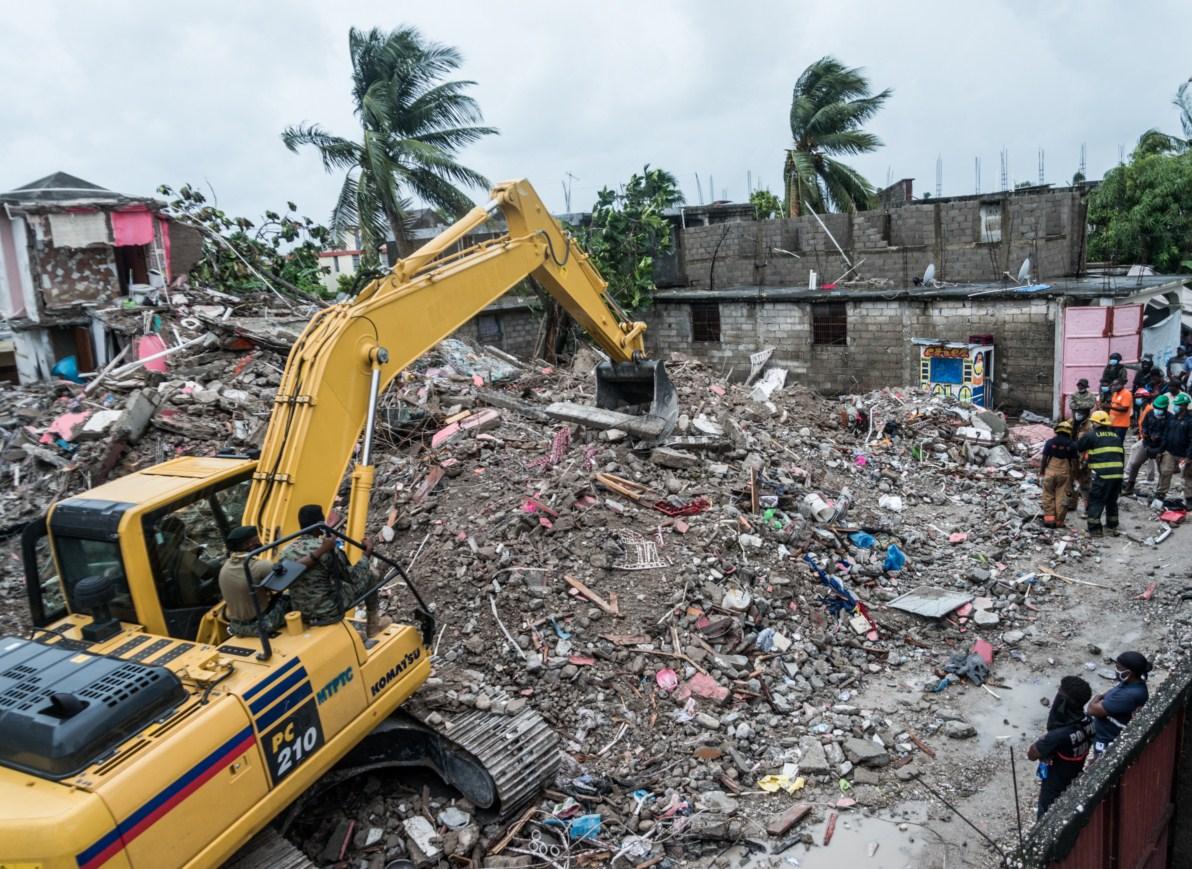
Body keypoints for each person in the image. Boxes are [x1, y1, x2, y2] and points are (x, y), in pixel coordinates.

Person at [282, 504, 385, 630]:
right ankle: (374, 625)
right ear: (320, 524)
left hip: (300, 612)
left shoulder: (286, 551)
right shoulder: (327, 548)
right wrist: (366, 555)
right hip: (328, 611)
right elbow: (353, 577)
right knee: (370, 574)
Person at [1027, 676, 1094, 818]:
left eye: (1059, 692)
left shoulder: (1057, 736)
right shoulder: (1089, 721)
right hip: (1074, 776)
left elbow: (1032, 754)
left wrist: (1046, 741)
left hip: (1054, 786)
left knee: (1046, 815)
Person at [217, 525, 289, 637]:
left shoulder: (224, 569)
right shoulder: (260, 566)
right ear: (249, 544)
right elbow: (285, 582)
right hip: (261, 625)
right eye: (257, 539)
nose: (260, 542)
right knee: (290, 593)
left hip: (237, 626)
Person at [1088, 651, 1151, 759]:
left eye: (1118, 667)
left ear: (1129, 672)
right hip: (1104, 733)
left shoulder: (1128, 696)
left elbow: (1092, 710)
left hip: (1108, 739)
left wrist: (1096, 700)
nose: (1116, 670)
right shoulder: (1131, 684)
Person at [1077, 410, 1125, 537]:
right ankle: (1112, 525)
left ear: (1095, 423)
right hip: (1118, 475)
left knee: (1096, 500)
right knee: (1111, 500)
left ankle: (1095, 530)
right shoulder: (1116, 436)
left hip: (1103, 475)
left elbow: (1079, 446)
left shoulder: (1092, 435)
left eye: (1093, 422)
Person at [1123, 393, 1168, 496]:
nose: (1157, 409)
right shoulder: (1150, 413)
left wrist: (1159, 440)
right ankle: (1130, 485)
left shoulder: (1169, 418)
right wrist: (1147, 436)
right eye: (1156, 407)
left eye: (1160, 408)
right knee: (1134, 464)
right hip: (1147, 443)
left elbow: (1168, 435)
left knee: (1163, 471)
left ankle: (1160, 492)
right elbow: (1144, 426)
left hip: (1161, 447)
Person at [1040, 420, 1079, 528]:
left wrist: (1041, 473)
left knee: (1048, 495)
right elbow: (1075, 463)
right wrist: (1075, 477)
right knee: (1062, 497)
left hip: (1050, 471)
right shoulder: (1072, 444)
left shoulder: (1050, 442)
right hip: (1064, 473)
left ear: (1057, 430)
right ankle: (1059, 522)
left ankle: (1049, 520)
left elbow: (1044, 459)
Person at [1156, 392, 1192, 507]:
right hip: (1170, 452)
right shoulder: (1172, 419)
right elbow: (1166, 435)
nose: (1176, 406)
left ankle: (1189, 499)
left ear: (1185, 406)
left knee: (1188, 478)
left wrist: (1189, 457)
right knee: (1165, 472)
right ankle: (1160, 496)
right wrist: (1161, 450)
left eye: (1178, 404)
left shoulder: (1190, 421)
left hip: (1185, 454)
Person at [1067, 379, 1097, 511]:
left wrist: (1086, 460)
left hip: (1084, 460)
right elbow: (1072, 404)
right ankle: (1072, 504)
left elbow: (1089, 404)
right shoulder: (1069, 424)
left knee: (1085, 485)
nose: (1078, 414)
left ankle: (1088, 508)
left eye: (1082, 385)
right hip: (1072, 458)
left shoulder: (1090, 428)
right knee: (1070, 483)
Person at [1107, 376, 1133, 443]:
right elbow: (1113, 406)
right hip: (1112, 423)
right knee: (1110, 442)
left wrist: (1110, 407)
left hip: (1121, 424)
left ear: (1121, 385)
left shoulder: (1126, 393)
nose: (1113, 386)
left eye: (1115, 385)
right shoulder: (1115, 393)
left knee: (1118, 443)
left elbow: (1125, 409)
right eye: (1113, 385)